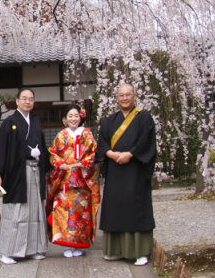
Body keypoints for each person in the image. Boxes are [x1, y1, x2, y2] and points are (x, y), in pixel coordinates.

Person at [95, 83, 157, 266]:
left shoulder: (144, 118)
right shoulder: (109, 121)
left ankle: (140, 252)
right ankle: (115, 250)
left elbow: (147, 141)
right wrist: (111, 154)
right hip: (115, 170)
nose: (124, 98)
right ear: (116, 97)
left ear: (135, 95)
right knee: (115, 207)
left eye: (128, 94)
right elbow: (102, 143)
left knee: (136, 207)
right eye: (121, 95)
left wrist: (130, 154)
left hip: (135, 169)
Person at [0, 87, 50, 264]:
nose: (27, 101)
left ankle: (33, 248)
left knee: (35, 211)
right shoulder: (10, 122)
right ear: (17, 101)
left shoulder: (36, 123)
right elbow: (1, 148)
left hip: (35, 170)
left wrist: (45, 164)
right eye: (24, 98)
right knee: (16, 211)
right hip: (16, 173)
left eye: (31, 99)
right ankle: (9, 251)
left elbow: (43, 147)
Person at [47, 104, 100, 258]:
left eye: (76, 116)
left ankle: (79, 244)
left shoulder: (87, 134)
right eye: (70, 116)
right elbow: (52, 153)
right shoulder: (61, 135)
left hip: (82, 180)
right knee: (63, 212)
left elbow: (95, 153)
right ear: (65, 119)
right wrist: (59, 164)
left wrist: (86, 163)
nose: (73, 119)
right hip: (64, 181)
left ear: (81, 117)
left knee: (81, 212)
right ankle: (66, 246)